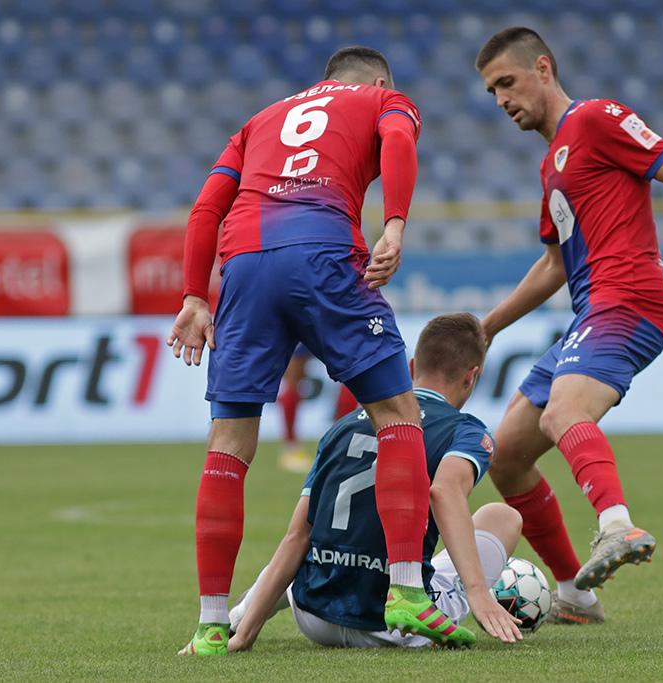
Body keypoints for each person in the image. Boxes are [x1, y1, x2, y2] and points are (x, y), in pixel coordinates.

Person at [167, 46, 460, 654]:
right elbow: (400, 142)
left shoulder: (258, 120)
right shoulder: (385, 99)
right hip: (322, 250)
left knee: (228, 446)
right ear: (377, 80)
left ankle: (211, 624)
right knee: (399, 416)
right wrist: (397, 223)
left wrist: (196, 296)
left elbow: (205, 209)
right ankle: (406, 591)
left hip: (245, 265)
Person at [473, 28, 663, 621]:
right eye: (492, 91)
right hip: (589, 314)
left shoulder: (598, 117)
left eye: (507, 82)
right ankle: (575, 594)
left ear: (542, 68)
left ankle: (617, 525)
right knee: (506, 457)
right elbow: (554, 264)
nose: (500, 99)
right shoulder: (552, 164)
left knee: (562, 413)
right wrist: (490, 324)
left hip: (629, 300)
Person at [227, 314, 526, 650]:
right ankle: (432, 596)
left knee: (308, 541)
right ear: (472, 377)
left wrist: (245, 636)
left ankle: (239, 616)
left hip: (313, 616)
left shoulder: (342, 427)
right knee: (503, 516)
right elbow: (444, 491)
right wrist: (478, 593)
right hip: (394, 628)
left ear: (411, 368)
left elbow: (297, 536)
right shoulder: (466, 430)